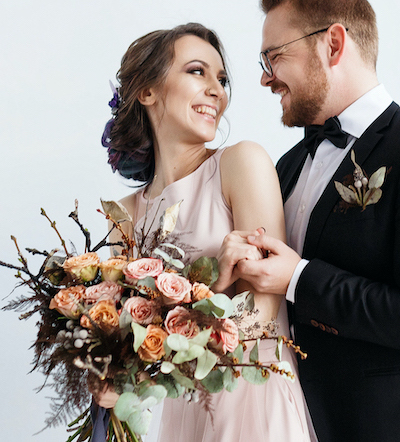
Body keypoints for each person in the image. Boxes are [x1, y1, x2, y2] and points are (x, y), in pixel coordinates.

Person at [101, 23, 314, 442]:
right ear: (147, 91)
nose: (218, 90)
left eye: (222, 79)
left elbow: (262, 313)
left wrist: (159, 356)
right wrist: (109, 372)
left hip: (254, 402)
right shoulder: (123, 215)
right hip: (182, 415)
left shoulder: (241, 163)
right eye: (197, 71)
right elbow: (126, 341)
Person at [215, 1, 400, 441]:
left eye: (274, 56)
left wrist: (298, 278)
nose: (264, 77)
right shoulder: (284, 167)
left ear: (332, 44)